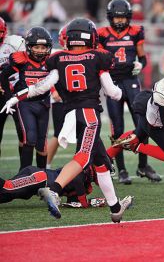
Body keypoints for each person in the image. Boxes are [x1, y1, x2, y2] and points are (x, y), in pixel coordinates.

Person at [1, 18, 133, 222]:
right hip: (89, 113)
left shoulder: (58, 58)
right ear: (90, 37)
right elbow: (111, 92)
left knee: (101, 162)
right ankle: (54, 189)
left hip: (70, 114)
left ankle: (115, 208)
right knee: (83, 156)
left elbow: (43, 86)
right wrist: (120, 92)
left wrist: (16, 96)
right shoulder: (99, 57)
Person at [98, 0, 160, 184]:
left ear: (129, 17)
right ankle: (122, 170)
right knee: (117, 129)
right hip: (113, 83)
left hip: (131, 81)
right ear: (110, 18)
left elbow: (143, 58)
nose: (119, 21)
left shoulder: (135, 32)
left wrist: (139, 65)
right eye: (116, 18)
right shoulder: (102, 34)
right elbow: (99, 60)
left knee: (142, 125)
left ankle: (143, 165)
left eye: (123, 18)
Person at [0, 26, 52, 170]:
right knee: (29, 138)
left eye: (43, 47)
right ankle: (25, 175)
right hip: (25, 104)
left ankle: (42, 176)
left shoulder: (51, 61)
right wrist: (9, 97)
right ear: (29, 47)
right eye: (37, 47)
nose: (40, 51)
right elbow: (4, 75)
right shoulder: (21, 59)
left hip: (44, 104)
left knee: (42, 144)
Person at [0, 165, 106, 208]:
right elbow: (77, 181)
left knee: (6, 196)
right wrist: (85, 203)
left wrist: (92, 202)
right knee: (8, 187)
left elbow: (72, 202)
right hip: (39, 177)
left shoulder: (84, 182)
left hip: (37, 185)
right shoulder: (79, 173)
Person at [0, 17, 25, 157]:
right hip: (0, 93)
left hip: (17, 91)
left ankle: (23, 171)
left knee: (23, 133)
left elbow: (27, 63)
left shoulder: (15, 43)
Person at [46, 24, 67, 169]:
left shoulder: (86, 54)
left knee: (87, 133)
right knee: (58, 134)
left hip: (79, 99)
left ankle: (92, 166)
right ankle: (45, 165)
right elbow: (48, 74)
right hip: (60, 99)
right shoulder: (56, 54)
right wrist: (53, 90)